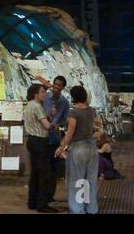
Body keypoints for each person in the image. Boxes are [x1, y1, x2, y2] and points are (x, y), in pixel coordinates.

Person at [55, 85, 98, 214]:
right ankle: (91, 209)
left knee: (77, 181)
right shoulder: (91, 110)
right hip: (91, 148)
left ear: (73, 97)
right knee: (90, 181)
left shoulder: (73, 112)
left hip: (78, 149)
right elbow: (93, 128)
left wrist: (61, 147)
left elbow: (70, 133)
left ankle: (78, 210)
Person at [24, 84, 60, 213]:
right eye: (43, 92)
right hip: (40, 141)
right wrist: (54, 124)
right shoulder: (37, 106)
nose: (45, 94)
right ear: (35, 94)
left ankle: (32, 202)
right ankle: (42, 204)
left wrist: (49, 115)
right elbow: (46, 126)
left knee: (35, 173)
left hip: (32, 140)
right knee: (45, 173)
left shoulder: (29, 105)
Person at [44, 75, 70, 202]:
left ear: (63, 88)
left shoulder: (65, 103)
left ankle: (49, 196)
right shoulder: (44, 98)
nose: (56, 87)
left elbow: (65, 121)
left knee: (53, 168)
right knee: (43, 168)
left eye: (59, 85)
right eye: (55, 84)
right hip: (42, 136)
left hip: (54, 138)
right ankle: (41, 195)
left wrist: (57, 124)